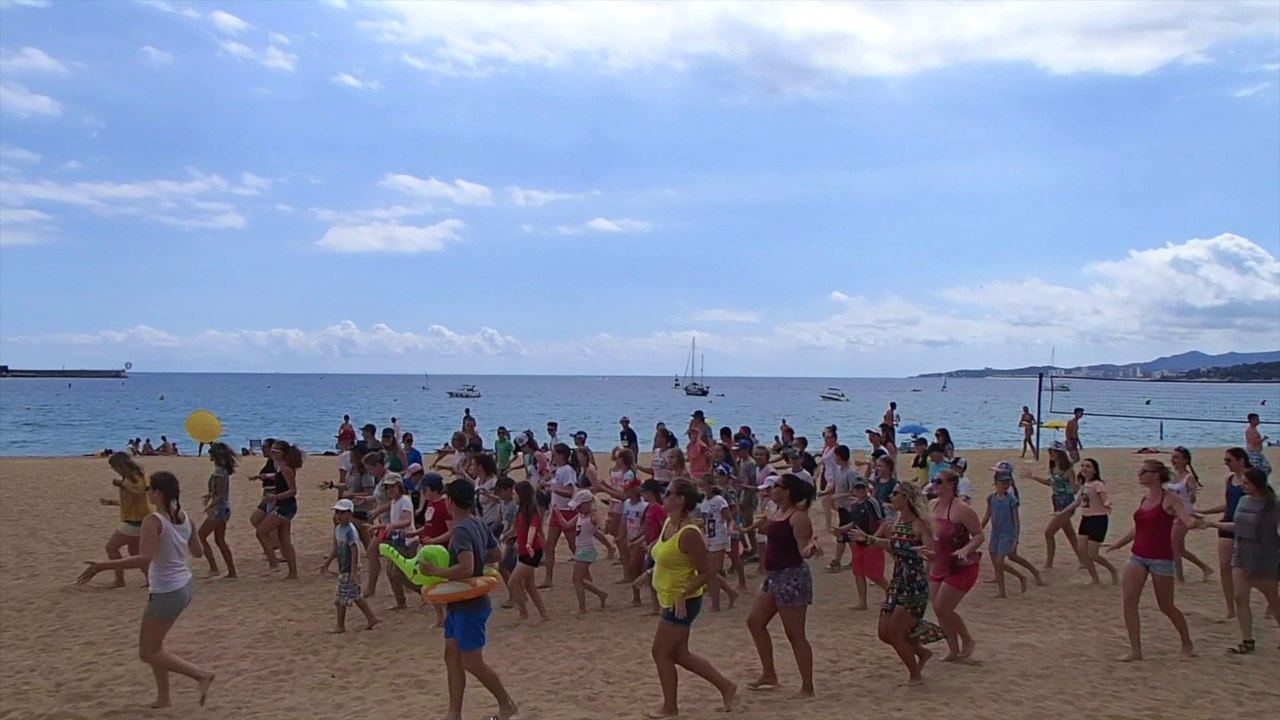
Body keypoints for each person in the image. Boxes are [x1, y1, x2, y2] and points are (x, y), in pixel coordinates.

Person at [77, 472, 216, 708]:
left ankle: (201, 675)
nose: (147, 492)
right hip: (184, 586)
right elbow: (198, 552)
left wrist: (103, 566)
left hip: (167, 591)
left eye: (150, 488)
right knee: (156, 647)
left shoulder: (153, 521)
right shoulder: (185, 518)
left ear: (158, 493)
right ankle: (164, 698)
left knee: (148, 652)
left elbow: (144, 559)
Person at [417, 478, 519, 720]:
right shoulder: (478, 523)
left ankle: (506, 704)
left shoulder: (462, 529)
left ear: (450, 500)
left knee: (472, 662)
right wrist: (476, 565)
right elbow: (497, 554)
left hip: (469, 604)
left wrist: (435, 572)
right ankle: (454, 713)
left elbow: (465, 567)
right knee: (451, 655)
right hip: (461, 602)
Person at [638, 479, 738, 719]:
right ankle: (726, 686)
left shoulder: (690, 532)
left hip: (683, 601)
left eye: (668, 492)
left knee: (660, 652)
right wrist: (649, 573)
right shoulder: (669, 523)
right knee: (680, 654)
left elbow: (708, 572)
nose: (664, 495)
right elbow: (668, 558)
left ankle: (670, 707)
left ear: (681, 499)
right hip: (669, 596)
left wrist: (683, 594)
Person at [1105, 460, 1202, 661]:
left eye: (1144, 471)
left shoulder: (1170, 499)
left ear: (1156, 475)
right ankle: (1135, 650)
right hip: (1138, 555)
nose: (1139, 474)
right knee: (1129, 601)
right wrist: (1118, 543)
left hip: (1161, 558)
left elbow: (1187, 519)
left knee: (1166, 605)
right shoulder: (1144, 499)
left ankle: (1187, 643)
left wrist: (1200, 522)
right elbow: (1139, 528)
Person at [849, 481, 943, 685]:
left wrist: (922, 554)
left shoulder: (920, 524)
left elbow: (931, 555)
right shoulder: (898, 521)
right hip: (898, 579)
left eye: (895, 494)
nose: (891, 496)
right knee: (884, 633)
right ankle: (922, 652)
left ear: (906, 498)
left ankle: (915, 675)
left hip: (914, 583)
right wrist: (869, 539)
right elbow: (893, 546)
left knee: (896, 633)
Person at [746, 473, 819, 697]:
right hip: (774, 576)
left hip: (792, 576)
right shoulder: (778, 512)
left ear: (787, 491)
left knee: (795, 633)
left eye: (776, 486)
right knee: (755, 622)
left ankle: (807, 686)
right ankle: (769, 673)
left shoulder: (798, 516)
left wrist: (810, 549)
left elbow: (803, 547)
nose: (772, 489)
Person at [1205, 467, 1280, 654]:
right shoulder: (1244, 501)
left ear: (1257, 484)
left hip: (1265, 557)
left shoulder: (1273, 505)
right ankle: (1247, 640)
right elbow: (1237, 526)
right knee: (1240, 597)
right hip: (1241, 555)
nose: (1243, 486)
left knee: (1272, 598)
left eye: (1246, 483)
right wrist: (1212, 523)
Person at [925, 469, 985, 662]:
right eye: (934, 481)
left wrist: (966, 549)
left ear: (951, 485)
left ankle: (967, 639)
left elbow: (978, 535)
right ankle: (953, 650)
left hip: (962, 566)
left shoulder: (962, 509)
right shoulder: (933, 505)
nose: (935, 484)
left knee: (943, 607)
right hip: (939, 563)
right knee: (938, 609)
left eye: (939, 481)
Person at [1196, 447, 1253, 621]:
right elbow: (1228, 504)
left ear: (1240, 460)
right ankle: (1231, 607)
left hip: (1247, 527)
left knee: (1249, 569)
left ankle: (1250, 602)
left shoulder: (1252, 478)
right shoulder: (1230, 480)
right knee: (1224, 565)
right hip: (1226, 522)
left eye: (1229, 460)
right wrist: (1205, 511)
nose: (1226, 464)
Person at [1022, 442, 1081, 570]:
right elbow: (1050, 483)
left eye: (1052, 452)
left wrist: (1079, 486)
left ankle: (1049, 563)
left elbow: (1074, 489)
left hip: (1066, 503)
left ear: (1059, 454)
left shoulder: (1069, 471)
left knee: (1049, 532)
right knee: (1070, 534)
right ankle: (1083, 561)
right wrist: (1033, 477)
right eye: (1050, 452)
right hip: (1057, 502)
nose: (1050, 455)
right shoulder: (1053, 469)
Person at [833, 478, 888, 609]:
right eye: (857, 489)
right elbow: (854, 523)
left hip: (871, 542)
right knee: (858, 572)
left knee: (874, 574)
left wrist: (873, 538)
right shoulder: (855, 505)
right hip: (859, 542)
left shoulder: (872, 503)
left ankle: (891, 594)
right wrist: (842, 529)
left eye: (862, 488)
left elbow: (882, 522)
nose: (860, 491)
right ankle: (862, 602)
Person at [99, 452, 151, 588]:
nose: (114, 470)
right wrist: (110, 502)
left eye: (114, 467)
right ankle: (150, 579)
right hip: (137, 517)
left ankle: (119, 580)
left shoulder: (134, 478)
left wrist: (122, 486)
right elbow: (131, 501)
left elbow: (140, 497)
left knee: (111, 547)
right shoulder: (134, 476)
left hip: (136, 520)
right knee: (135, 553)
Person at [1063, 458, 1118, 585]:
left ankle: (1112, 570)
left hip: (1098, 520)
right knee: (1082, 551)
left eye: (1088, 466)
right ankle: (1095, 579)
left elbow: (1105, 498)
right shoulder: (1084, 486)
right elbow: (1076, 503)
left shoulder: (1097, 484)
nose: (1084, 468)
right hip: (1086, 519)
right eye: (1082, 466)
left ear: (1094, 470)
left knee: (1093, 554)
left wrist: (1108, 504)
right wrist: (1062, 512)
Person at [328, 499, 379, 632]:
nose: (338, 515)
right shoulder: (339, 528)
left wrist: (354, 571)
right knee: (356, 596)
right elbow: (337, 547)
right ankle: (371, 618)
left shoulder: (350, 531)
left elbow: (354, 550)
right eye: (337, 512)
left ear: (350, 514)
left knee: (341, 598)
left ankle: (340, 625)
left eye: (342, 512)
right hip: (344, 567)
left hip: (349, 569)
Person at [982, 468, 1034, 596]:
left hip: (1007, 534)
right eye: (1002, 482)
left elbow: (1016, 521)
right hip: (995, 533)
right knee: (996, 562)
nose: (1005, 485)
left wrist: (1015, 539)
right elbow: (987, 515)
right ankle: (1002, 592)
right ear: (996, 482)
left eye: (1007, 482)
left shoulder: (1011, 500)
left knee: (1000, 561)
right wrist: (978, 529)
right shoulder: (991, 498)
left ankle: (1021, 576)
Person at [1166, 447, 1214, 583]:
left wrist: (1192, 494)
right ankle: (1205, 568)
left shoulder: (1189, 477)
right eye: (1172, 457)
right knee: (1180, 548)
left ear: (1185, 460)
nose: (1173, 460)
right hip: (1173, 513)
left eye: (1176, 457)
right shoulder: (1173, 476)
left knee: (1174, 545)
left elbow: (1192, 498)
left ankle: (1179, 577)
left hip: (1184, 514)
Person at [255, 440, 302, 579]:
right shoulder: (279, 467)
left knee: (261, 532)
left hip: (286, 506)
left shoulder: (286, 469)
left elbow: (293, 491)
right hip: (283, 505)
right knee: (284, 541)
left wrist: (275, 497)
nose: (272, 453)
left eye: (276, 451)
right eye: (272, 451)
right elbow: (277, 479)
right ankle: (292, 572)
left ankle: (273, 563)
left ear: (283, 454)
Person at [510, 480, 550, 624]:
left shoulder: (532, 512)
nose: (514, 496)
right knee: (529, 586)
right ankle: (543, 614)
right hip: (523, 551)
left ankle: (523, 612)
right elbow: (517, 529)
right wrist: (510, 537)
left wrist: (529, 544)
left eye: (516, 493)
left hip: (532, 553)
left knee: (513, 581)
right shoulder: (520, 511)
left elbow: (535, 531)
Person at [696, 476, 739, 611]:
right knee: (711, 572)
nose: (702, 489)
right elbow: (705, 521)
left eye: (704, 486)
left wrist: (731, 530)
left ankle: (716, 603)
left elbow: (729, 519)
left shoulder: (719, 501)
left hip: (720, 536)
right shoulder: (703, 503)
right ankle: (730, 593)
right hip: (708, 537)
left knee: (713, 572)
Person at [540, 443, 579, 589]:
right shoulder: (559, 470)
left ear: (561, 455)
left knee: (573, 544)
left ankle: (584, 572)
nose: (552, 456)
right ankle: (548, 578)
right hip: (557, 511)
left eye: (555, 454)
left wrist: (553, 488)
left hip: (567, 511)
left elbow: (570, 492)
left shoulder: (567, 470)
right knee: (549, 545)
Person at [197, 442, 237, 579]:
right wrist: (209, 495)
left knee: (200, 536)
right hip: (223, 508)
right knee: (220, 540)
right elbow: (219, 491)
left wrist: (210, 505)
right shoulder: (223, 470)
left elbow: (220, 494)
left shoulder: (219, 472)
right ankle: (231, 571)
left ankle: (214, 568)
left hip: (218, 509)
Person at [568, 489, 609, 614]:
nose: (578, 509)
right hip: (581, 549)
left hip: (586, 550)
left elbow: (603, 529)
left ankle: (582, 608)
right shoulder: (581, 516)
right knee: (580, 580)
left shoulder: (593, 516)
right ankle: (601, 594)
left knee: (577, 580)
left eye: (579, 506)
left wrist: (606, 523)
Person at [826, 445, 860, 573]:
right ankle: (846, 560)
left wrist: (838, 496)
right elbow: (836, 487)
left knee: (845, 535)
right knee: (845, 535)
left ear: (839, 456)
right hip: (842, 507)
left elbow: (855, 492)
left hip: (849, 508)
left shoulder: (851, 473)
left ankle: (838, 561)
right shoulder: (839, 470)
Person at [247, 437, 278, 566]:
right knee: (256, 520)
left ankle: (275, 550)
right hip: (267, 495)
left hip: (274, 495)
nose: (263, 449)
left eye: (265, 447)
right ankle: (272, 547)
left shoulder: (277, 462)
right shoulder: (270, 462)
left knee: (267, 524)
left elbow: (281, 476)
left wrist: (265, 476)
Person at [1245, 413, 1272, 477]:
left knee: (1266, 468)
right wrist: (1263, 439)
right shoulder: (1250, 430)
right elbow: (1254, 442)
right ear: (1252, 420)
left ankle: (1261, 482)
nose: (1259, 421)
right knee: (1260, 470)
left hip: (1257, 453)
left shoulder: (1254, 429)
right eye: (1257, 419)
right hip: (1253, 453)